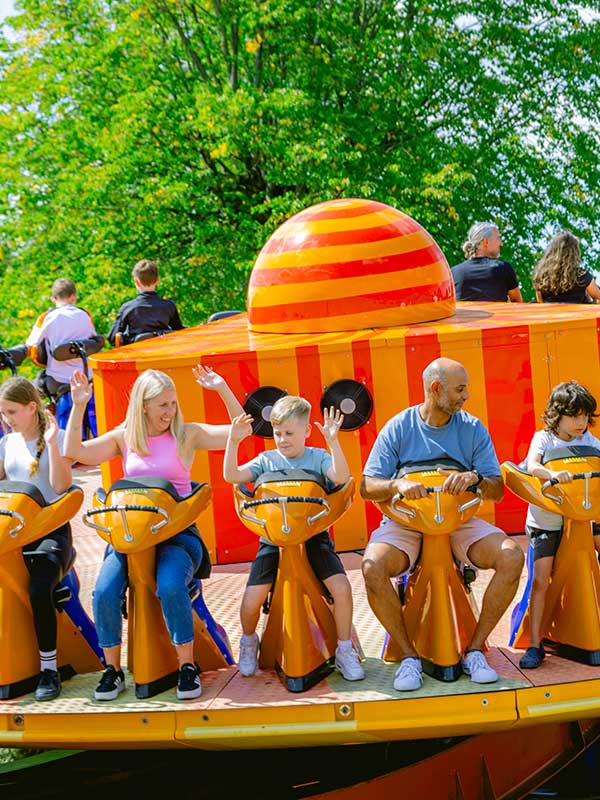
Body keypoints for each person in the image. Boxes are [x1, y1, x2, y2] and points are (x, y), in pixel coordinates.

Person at [65, 365, 244, 701]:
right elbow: (75, 451)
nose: (170, 411)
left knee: (171, 585)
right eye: (163, 405)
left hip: (175, 533)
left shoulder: (185, 435)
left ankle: (186, 667)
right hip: (133, 536)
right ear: (143, 405)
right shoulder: (124, 437)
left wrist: (221, 388)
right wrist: (78, 405)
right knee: (104, 591)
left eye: (173, 403)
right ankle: (113, 670)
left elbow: (240, 430)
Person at [361, 357, 524, 691]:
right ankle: (408, 657)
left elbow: (496, 489)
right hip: (406, 522)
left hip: (458, 521)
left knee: (512, 556)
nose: (466, 396)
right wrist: (397, 485)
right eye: (459, 389)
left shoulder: (472, 427)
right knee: (372, 567)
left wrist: (474, 478)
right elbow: (367, 486)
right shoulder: (399, 426)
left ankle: (475, 649)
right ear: (435, 389)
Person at [223, 396, 365, 682]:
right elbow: (232, 476)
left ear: (306, 432)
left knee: (341, 589)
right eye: (277, 433)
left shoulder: (318, 457)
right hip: (274, 540)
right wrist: (233, 441)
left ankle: (344, 649)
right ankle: (249, 640)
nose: (282, 440)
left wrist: (334, 442)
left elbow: (341, 476)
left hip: (313, 537)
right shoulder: (267, 460)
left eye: (289, 433)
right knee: (252, 599)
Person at [0, 377, 73, 701]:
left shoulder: (49, 439)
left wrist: (54, 446)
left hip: (50, 531)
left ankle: (49, 669)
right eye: (3, 413)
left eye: (12, 412)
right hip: (15, 533)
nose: (7, 419)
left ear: (32, 407)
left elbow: (60, 488)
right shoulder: (7, 442)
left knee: (39, 588)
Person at [520, 381, 600, 669]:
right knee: (542, 579)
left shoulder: (589, 441)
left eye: (585, 416)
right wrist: (552, 474)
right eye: (575, 416)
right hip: (548, 521)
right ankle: (534, 644)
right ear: (558, 415)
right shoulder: (544, 439)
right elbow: (532, 466)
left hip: (582, 517)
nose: (581, 423)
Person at [26, 278, 100, 433]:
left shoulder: (48, 317)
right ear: (74, 297)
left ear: (53, 299)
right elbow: (94, 340)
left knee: (32, 388)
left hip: (58, 380)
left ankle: (41, 429)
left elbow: (31, 345)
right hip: (87, 376)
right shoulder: (85, 315)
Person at [107, 259, 184, 346]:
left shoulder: (128, 308)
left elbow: (112, 338)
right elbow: (179, 331)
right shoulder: (169, 306)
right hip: (164, 354)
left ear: (136, 282)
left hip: (138, 356)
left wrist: (128, 338)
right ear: (157, 280)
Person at [452, 222, 523, 302]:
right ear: (486, 242)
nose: (501, 244)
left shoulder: (453, 273)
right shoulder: (503, 268)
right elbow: (517, 303)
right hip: (498, 314)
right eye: (498, 238)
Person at [532, 230, 600, 304]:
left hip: (550, 315)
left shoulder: (542, 276)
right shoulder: (581, 275)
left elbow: (540, 303)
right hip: (576, 315)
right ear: (574, 253)